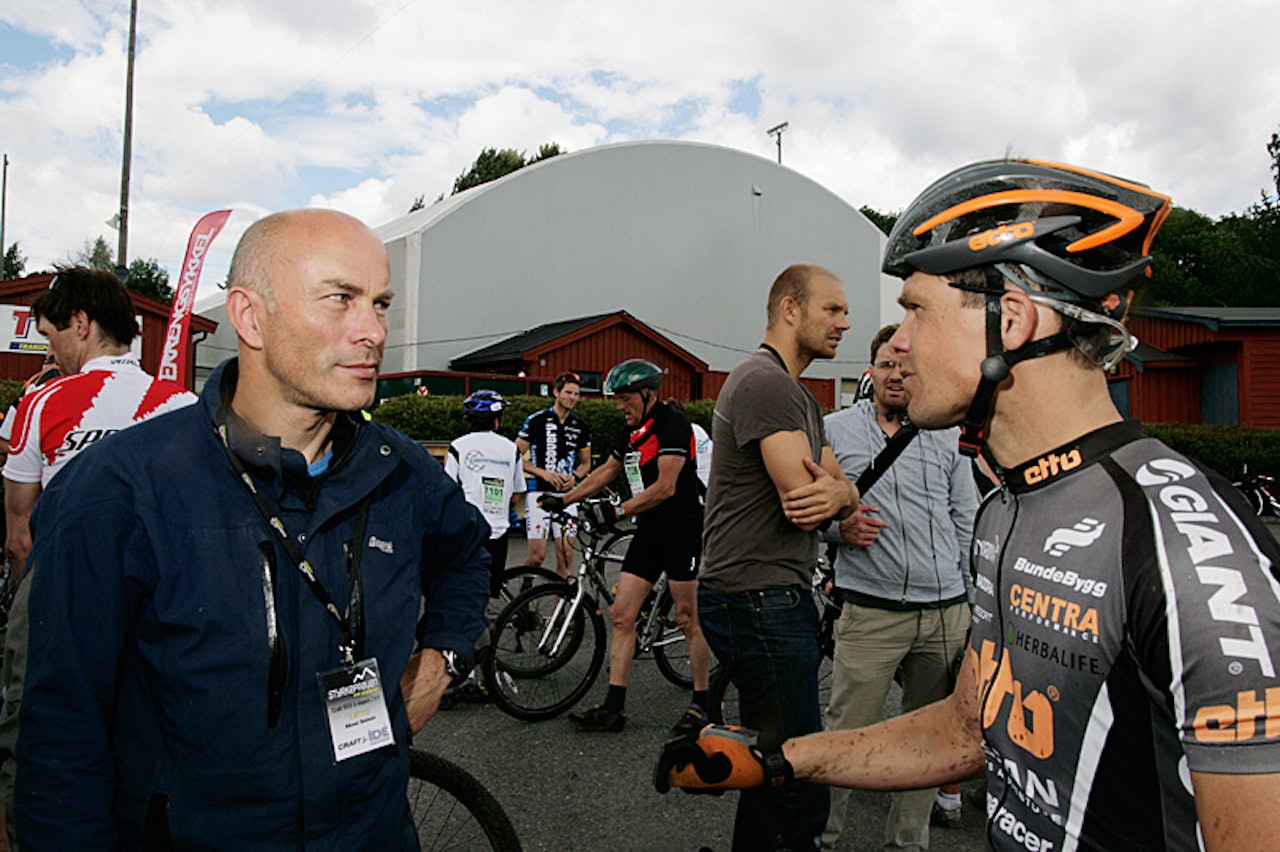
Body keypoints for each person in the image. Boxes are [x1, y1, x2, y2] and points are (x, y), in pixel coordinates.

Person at [658, 160, 1280, 850]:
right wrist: (775, 760)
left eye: (916, 311)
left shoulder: (1184, 550)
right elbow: (966, 727)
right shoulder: (1007, 508)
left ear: (1010, 321)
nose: (896, 343)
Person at [15, 209, 491, 847]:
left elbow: (468, 553)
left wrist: (441, 660)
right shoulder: (118, 491)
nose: (373, 330)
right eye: (340, 299)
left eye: (380, 303)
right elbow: (59, 743)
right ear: (249, 316)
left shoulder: (401, 471)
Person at [0, 268, 197, 848]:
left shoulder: (43, 400)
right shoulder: (183, 404)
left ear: (80, 324)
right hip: (165, 601)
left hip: (62, 598)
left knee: (37, 738)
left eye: (51, 335)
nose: (52, 351)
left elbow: (18, 536)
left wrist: (35, 609)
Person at [696, 263, 859, 850]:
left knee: (771, 762)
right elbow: (808, 500)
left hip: (762, 593)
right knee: (798, 771)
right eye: (832, 309)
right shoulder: (767, 385)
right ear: (790, 310)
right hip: (757, 595)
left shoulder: (795, 394)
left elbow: (839, 487)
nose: (845, 323)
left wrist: (842, 493)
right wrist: (838, 495)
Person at [819, 323, 977, 850]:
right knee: (846, 737)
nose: (896, 375)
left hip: (944, 612)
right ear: (871, 370)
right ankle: (823, 838)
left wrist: (973, 603)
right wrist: (837, 529)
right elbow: (800, 511)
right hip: (871, 611)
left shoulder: (947, 432)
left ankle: (908, 843)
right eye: (887, 365)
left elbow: (965, 518)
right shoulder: (834, 431)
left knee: (930, 742)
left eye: (906, 367)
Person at [545, 359, 711, 734]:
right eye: (616, 398)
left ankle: (702, 704)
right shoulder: (633, 430)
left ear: (647, 394)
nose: (619, 405)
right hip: (650, 530)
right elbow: (608, 470)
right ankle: (613, 707)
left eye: (625, 398)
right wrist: (565, 499)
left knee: (687, 617)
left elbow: (665, 487)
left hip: (682, 528)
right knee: (621, 615)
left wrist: (617, 510)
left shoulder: (672, 423)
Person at [444, 389, 526, 598]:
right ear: (496, 421)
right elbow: (516, 495)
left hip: (467, 528)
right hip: (498, 528)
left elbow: (448, 489)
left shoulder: (458, 447)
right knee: (489, 589)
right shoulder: (511, 449)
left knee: (463, 589)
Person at [517, 372, 592, 578]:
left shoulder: (580, 427)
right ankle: (525, 589)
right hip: (539, 494)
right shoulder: (536, 420)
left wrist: (575, 477)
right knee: (537, 556)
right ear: (556, 392)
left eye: (576, 394)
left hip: (567, 497)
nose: (573, 397)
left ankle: (563, 597)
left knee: (566, 555)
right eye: (568, 392)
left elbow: (586, 464)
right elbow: (515, 457)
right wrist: (543, 473)